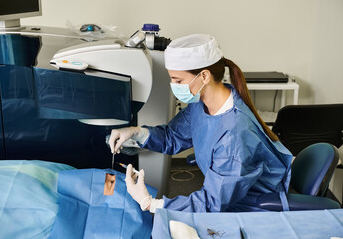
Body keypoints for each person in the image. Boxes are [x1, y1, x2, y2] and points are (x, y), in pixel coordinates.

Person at [109, 34, 293, 213]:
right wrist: (134, 132)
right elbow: (172, 137)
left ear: (204, 76)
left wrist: (150, 203)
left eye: (178, 80)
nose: (173, 85)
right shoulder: (201, 105)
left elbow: (212, 202)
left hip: (250, 206)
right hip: (223, 196)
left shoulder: (234, 134)